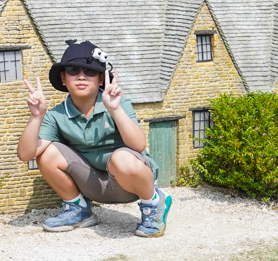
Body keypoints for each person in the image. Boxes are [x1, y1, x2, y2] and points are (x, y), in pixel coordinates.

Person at [17, 40, 172, 236]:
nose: (81, 76)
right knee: (46, 154)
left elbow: (139, 145)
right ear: (63, 78)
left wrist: (114, 109)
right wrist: (36, 116)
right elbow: (25, 154)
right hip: (91, 183)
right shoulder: (56, 115)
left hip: (131, 182)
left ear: (101, 79)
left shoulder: (118, 103)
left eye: (89, 71)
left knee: (121, 158)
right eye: (73, 70)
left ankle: (154, 204)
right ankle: (78, 209)